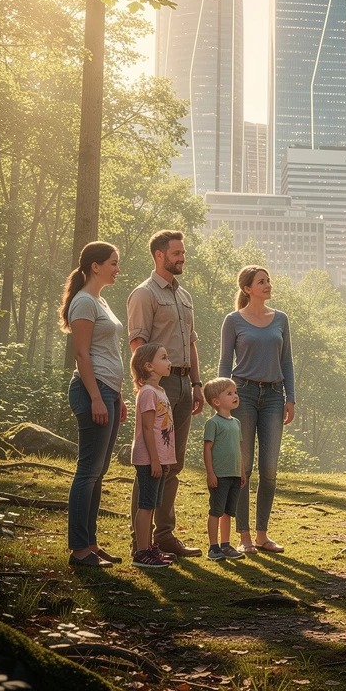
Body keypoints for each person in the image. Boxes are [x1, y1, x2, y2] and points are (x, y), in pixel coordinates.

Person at [126, 230, 204, 557]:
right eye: (177, 253)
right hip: (160, 386)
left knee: (173, 463)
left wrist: (197, 384)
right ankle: (141, 541)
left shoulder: (184, 295)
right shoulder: (143, 294)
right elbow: (138, 344)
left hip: (184, 384)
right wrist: (148, 385)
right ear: (159, 255)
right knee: (150, 463)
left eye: (183, 253)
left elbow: (191, 343)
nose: (182, 257)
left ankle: (165, 536)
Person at [218, 265, 295, 553]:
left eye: (269, 280)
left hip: (274, 396)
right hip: (243, 396)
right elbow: (225, 363)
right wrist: (222, 399)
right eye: (262, 281)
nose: (268, 284)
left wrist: (290, 398)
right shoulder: (233, 320)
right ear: (247, 288)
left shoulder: (281, 319)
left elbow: (287, 362)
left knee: (269, 469)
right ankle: (244, 537)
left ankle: (263, 535)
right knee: (244, 468)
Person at [60, 241, 127, 568]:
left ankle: (90, 543)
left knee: (98, 472)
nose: (117, 269)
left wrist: (118, 396)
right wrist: (98, 398)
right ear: (95, 266)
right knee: (88, 471)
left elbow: (109, 352)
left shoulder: (100, 301)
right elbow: (81, 354)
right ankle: (78, 550)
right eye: (113, 263)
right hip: (92, 391)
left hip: (107, 391)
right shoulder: (84, 302)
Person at [129, 343, 176, 569]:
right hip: (149, 459)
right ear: (148, 366)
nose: (169, 362)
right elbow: (147, 429)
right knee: (146, 505)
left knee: (153, 504)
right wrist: (155, 460)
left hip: (159, 459)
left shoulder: (160, 391)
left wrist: (165, 461)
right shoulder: (148, 392)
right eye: (164, 358)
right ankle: (141, 552)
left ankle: (148, 548)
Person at [202, 378, 247, 562]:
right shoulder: (213, 423)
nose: (235, 396)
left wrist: (242, 472)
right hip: (219, 476)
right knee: (216, 511)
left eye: (235, 392)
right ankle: (213, 548)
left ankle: (225, 545)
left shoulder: (236, 423)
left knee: (229, 512)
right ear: (216, 401)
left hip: (234, 475)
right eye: (229, 393)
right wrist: (210, 473)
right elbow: (207, 449)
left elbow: (238, 449)